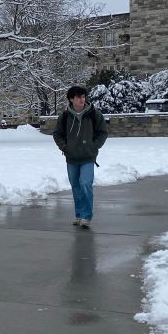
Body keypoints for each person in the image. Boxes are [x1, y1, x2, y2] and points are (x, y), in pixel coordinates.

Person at [52, 85, 107, 229]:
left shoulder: (94, 114)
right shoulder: (64, 116)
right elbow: (57, 134)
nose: (82, 100)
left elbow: (103, 132)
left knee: (85, 184)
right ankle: (79, 215)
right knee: (76, 187)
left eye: (83, 97)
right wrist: (65, 147)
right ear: (71, 99)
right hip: (71, 158)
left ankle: (86, 217)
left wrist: (94, 146)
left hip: (88, 157)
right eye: (78, 97)